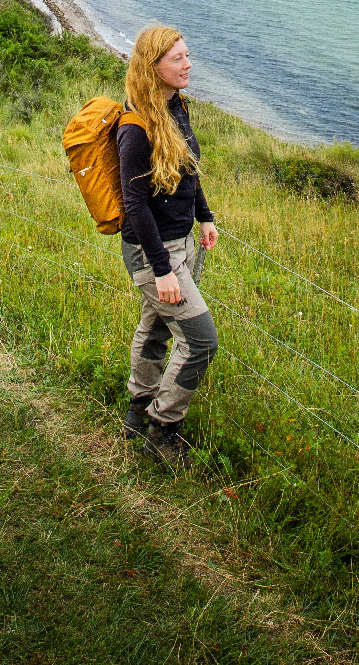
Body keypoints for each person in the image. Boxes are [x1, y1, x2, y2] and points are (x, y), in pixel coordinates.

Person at [117, 24, 219, 469]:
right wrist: (161, 269)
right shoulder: (135, 127)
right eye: (178, 58)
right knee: (201, 341)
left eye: (187, 55)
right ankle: (163, 429)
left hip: (182, 240)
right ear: (153, 66)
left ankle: (138, 410)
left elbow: (188, 167)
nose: (188, 64)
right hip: (152, 251)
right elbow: (134, 205)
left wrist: (205, 216)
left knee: (156, 328)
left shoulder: (175, 107)